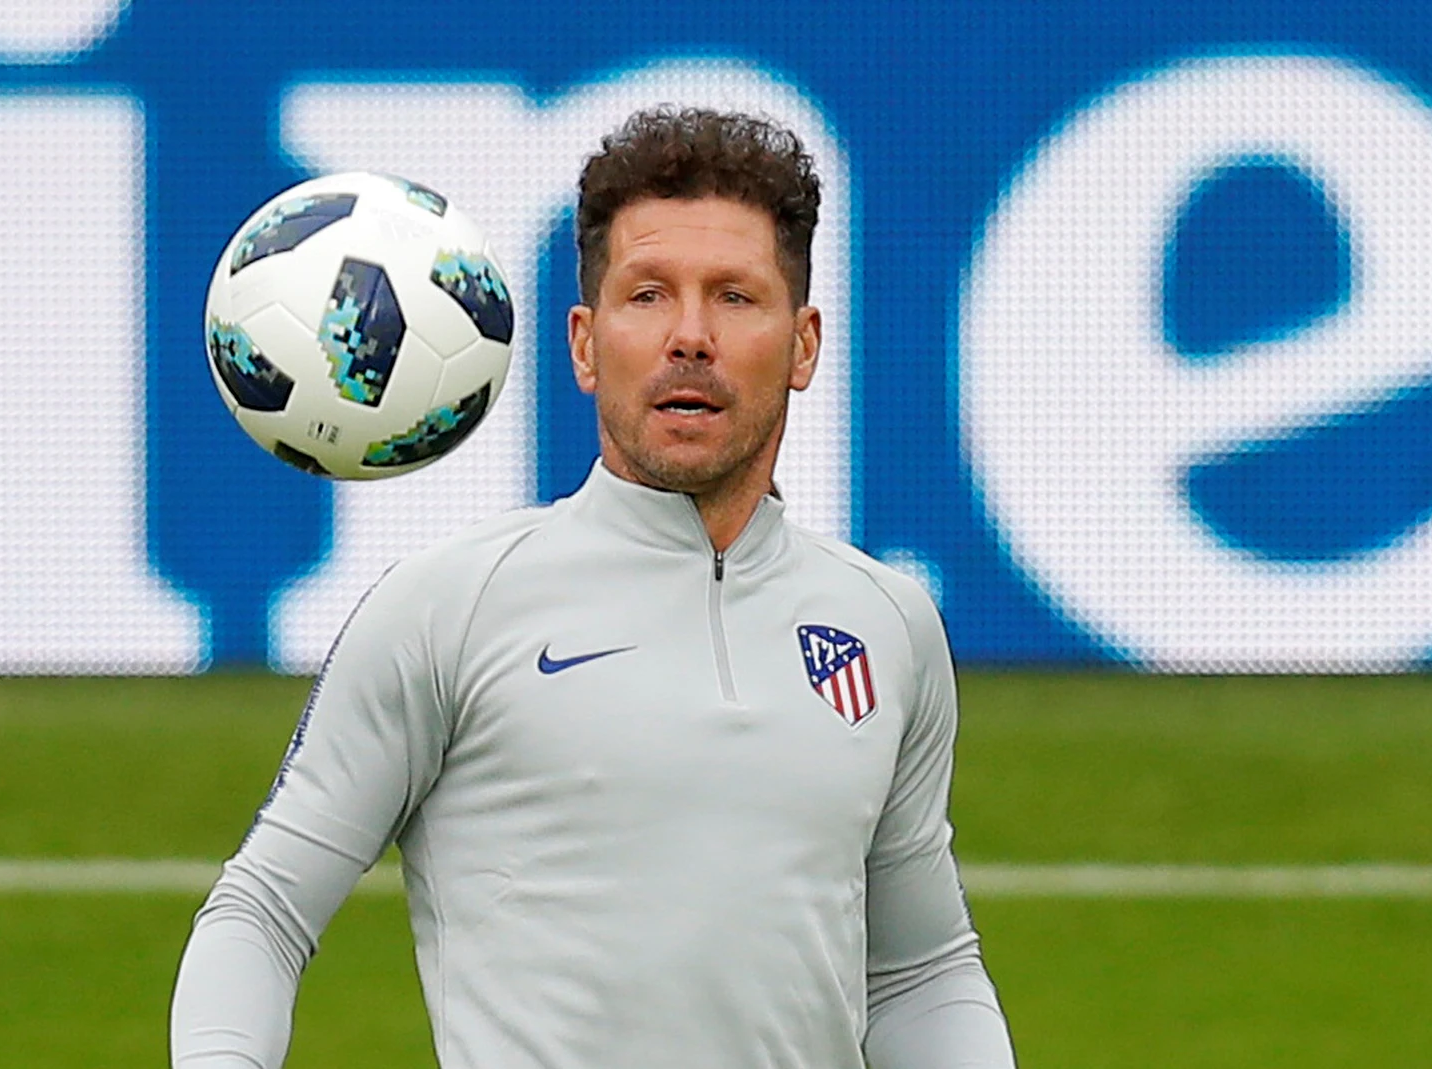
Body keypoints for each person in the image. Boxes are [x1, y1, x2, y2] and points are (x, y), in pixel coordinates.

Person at [170, 106, 1016, 1069]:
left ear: (805, 343)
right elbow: (262, 911)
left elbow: (921, 971)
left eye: (735, 297)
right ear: (583, 343)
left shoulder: (887, 625)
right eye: (648, 295)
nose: (689, 336)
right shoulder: (448, 608)